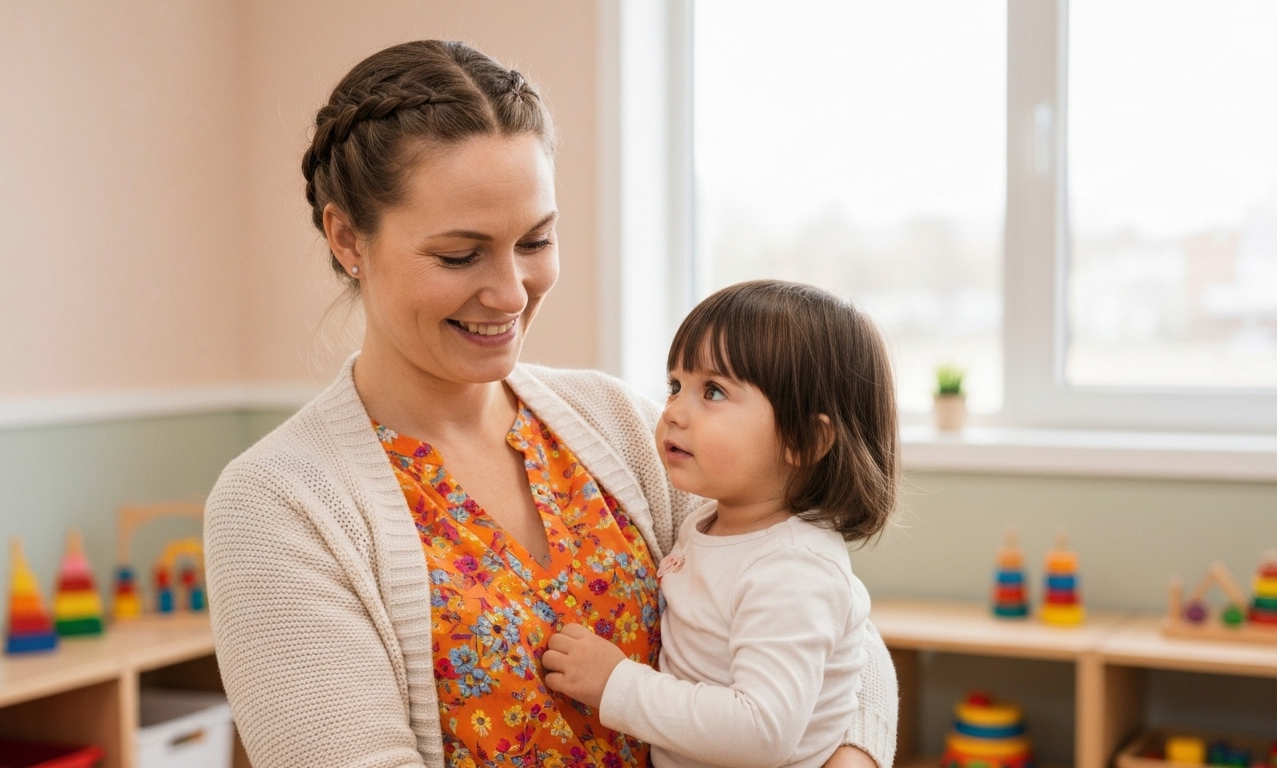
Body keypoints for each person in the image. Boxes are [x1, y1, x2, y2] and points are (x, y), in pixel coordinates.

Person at [203, 40, 898, 768]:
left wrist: (851, 756)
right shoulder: (278, 507)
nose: (510, 293)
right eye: (459, 255)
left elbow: (824, 622)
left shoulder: (625, 427)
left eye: (535, 240)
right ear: (347, 238)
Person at [541, 281, 898, 768]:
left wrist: (615, 684)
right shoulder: (712, 522)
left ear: (806, 441)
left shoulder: (792, 568)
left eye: (713, 391)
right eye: (675, 386)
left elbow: (760, 733)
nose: (672, 413)